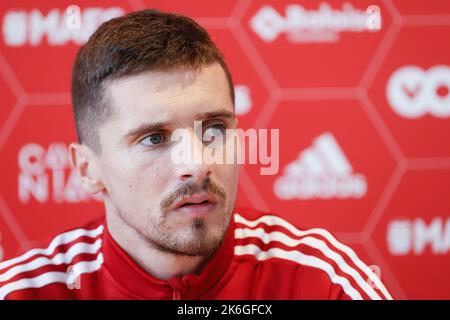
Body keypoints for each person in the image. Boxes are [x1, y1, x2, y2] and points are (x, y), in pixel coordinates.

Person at [0, 9, 392, 300]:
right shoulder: (27, 292)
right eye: (154, 138)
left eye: (215, 130)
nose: (197, 164)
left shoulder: (317, 281)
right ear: (88, 169)